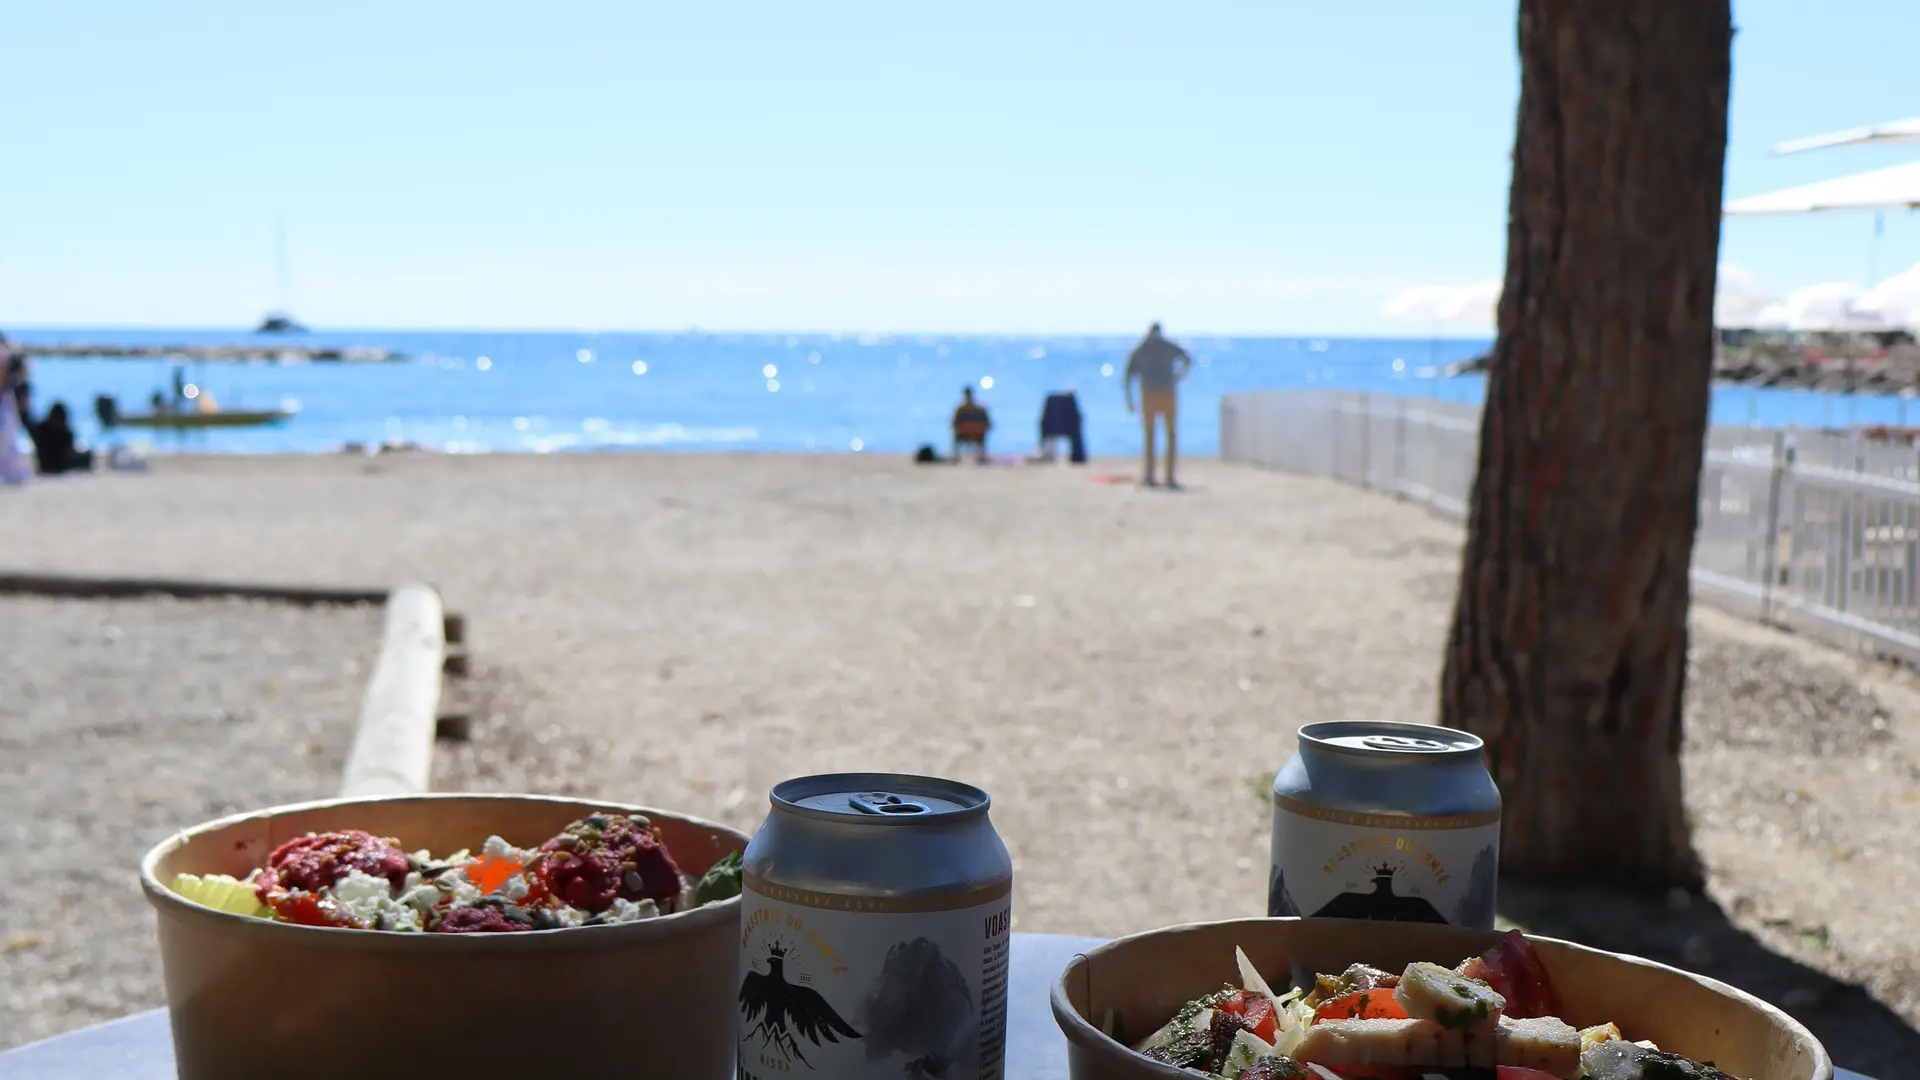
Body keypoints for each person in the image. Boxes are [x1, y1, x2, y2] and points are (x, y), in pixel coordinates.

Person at [1124, 321, 1193, 487]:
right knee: (1171, 434)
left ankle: (1149, 475)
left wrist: (1129, 400)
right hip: (1167, 392)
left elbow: (1128, 376)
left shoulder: (1140, 349)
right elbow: (1188, 360)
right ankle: (1169, 477)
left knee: (1149, 436)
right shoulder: (1169, 346)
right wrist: (1178, 377)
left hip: (1148, 393)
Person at [30, 401, 94, 476]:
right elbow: (68, 454)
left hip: (44, 467)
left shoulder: (40, 429)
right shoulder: (66, 433)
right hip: (60, 467)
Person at [951, 386, 991, 464]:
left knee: (956, 435)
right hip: (977, 435)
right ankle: (982, 457)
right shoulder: (980, 408)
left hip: (966, 435)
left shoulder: (961, 409)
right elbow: (988, 424)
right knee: (981, 434)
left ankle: (956, 457)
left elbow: (954, 424)